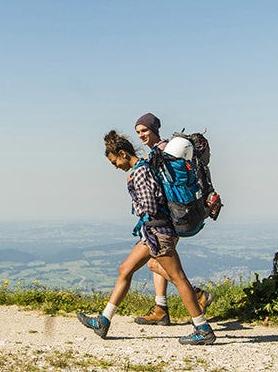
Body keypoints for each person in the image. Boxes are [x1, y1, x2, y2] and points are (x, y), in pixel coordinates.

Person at [76, 130, 216, 345]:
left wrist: (137, 205)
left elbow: (150, 205)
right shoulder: (143, 167)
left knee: (179, 279)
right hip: (152, 233)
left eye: (114, 161)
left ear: (122, 153)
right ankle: (104, 321)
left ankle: (203, 328)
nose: (115, 166)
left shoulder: (139, 172)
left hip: (158, 232)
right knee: (125, 269)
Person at [133, 113, 214, 326]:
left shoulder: (164, 151)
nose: (141, 135)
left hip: (168, 218)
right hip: (173, 215)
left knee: (156, 263)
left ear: (154, 130)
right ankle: (161, 308)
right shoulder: (162, 150)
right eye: (139, 132)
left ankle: (197, 296)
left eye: (144, 130)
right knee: (157, 261)